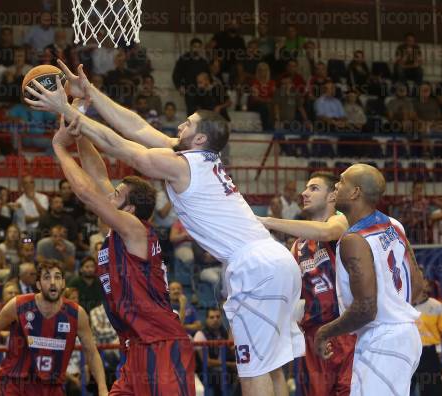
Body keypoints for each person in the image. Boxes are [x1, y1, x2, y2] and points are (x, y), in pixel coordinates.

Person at [29, 61, 303, 396]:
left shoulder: (182, 165)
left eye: (187, 124)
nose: (179, 126)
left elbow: (120, 146)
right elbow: (137, 126)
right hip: (273, 260)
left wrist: (66, 111)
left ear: (199, 137)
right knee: (270, 366)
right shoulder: (195, 160)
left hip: (255, 264)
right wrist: (88, 94)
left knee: (252, 369)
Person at [49, 114, 196, 395]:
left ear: (129, 209)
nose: (110, 194)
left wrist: (59, 147)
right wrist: (78, 132)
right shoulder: (123, 223)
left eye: (116, 194)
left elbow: (86, 192)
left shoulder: (133, 227)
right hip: (135, 346)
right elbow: (98, 173)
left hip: (161, 344)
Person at [313, 164, 423, 396]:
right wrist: (394, 307)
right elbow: (419, 286)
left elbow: (365, 309)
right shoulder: (394, 225)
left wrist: (325, 332)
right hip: (405, 335)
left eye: (341, 181)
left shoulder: (354, 240)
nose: (336, 185)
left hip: (383, 340)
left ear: (355, 193)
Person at [0, 259, 108, 395]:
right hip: (15, 383)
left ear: (63, 284)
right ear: (38, 284)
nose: (53, 282)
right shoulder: (19, 305)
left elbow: (91, 352)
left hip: (52, 387)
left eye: (57, 277)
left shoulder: (76, 314)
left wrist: (102, 389)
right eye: (47, 277)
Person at [289, 172, 356, 396]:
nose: (304, 193)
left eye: (313, 188)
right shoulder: (298, 244)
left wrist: (268, 221)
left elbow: (329, 231)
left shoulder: (341, 223)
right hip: (313, 336)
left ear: (332, 196)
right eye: (306, 188)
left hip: (346, 329)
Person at [412, 268, 442, 395]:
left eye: (422, 278)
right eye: (413, 277)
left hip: (429, 355)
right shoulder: (402, 306)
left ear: (426, 283)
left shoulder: (436, 306)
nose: (418, 281)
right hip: (407, 355)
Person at [193, 307, 237, 395]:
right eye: (212, 317)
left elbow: (232, 352)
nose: (215, 319)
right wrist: (230, 364)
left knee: (242, 375)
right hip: (206, 371)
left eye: (218, 316)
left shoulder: (225, 332)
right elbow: (207, 362)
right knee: (218, 376)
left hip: (225, 368)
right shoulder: (200, 334)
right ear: (206, 319)